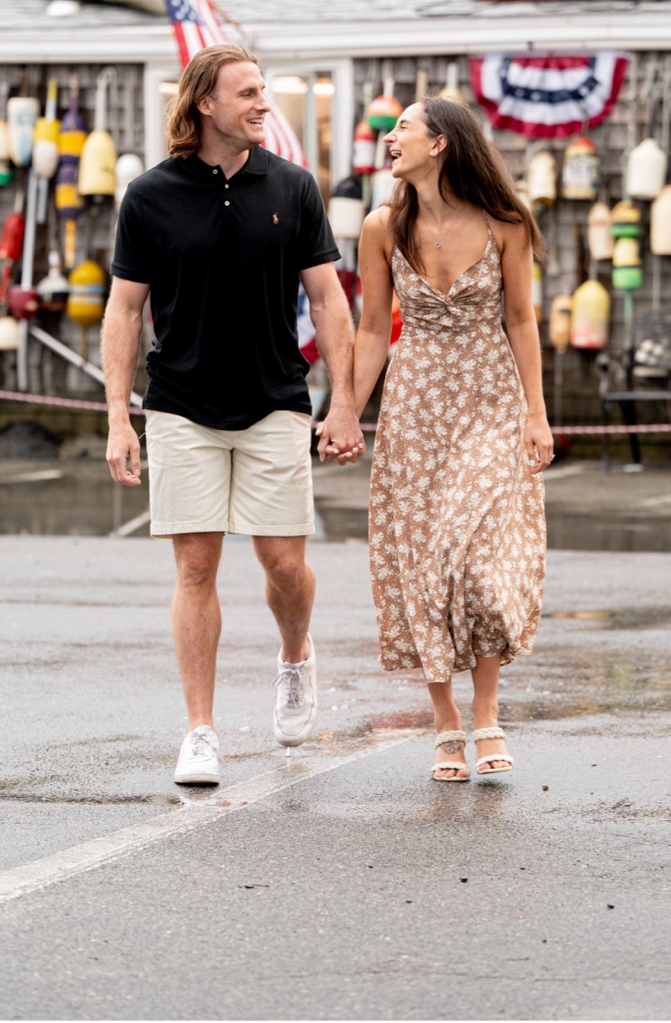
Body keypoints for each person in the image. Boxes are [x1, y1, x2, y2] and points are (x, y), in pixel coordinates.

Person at [104, 44, 363, 787]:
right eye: (247, 92)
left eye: (263, 91)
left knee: (284, 565)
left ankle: (294, 657)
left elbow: (327, 298)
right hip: (180, 405)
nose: (262, 104)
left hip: (275, 400)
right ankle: (200, 731)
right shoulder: (149, 196)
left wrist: (343, 402)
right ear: (204, 105)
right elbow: (124, 311)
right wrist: (120, 418)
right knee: (194, 566)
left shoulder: (294, 185)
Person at [347, 95, 550, 783]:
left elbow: (521, 320)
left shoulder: (507, 223)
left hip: (491, 397)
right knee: (424, 564)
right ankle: (446, 722)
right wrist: (345, 406)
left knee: (480, 564)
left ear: (440, 143)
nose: (390, 138)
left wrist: (537, 413)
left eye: (402, 128)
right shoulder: (381, 227)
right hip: (415, 402)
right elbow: (374, 327)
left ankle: (487, 707)